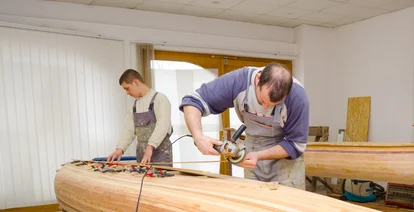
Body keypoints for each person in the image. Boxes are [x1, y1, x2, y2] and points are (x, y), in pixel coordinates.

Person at [179, 62, 309, 189]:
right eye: (262, 100)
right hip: (252, 151)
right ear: (258, 79)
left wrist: (258, 155)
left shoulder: (297, 97)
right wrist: (198, 137)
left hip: (285, 162)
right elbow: (192, 101)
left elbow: (296, 145)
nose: (265, 107)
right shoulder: (238, 82)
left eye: (273, 104)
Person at [107, 69, 173, 166]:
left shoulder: (160, 99)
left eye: (127, 88)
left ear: (136, 82)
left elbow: (162, 125)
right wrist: (120, 149)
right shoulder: (134, 106)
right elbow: (128, 130)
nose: (127, 93)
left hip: (161, 154)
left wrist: (150, 146)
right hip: (142, 154)